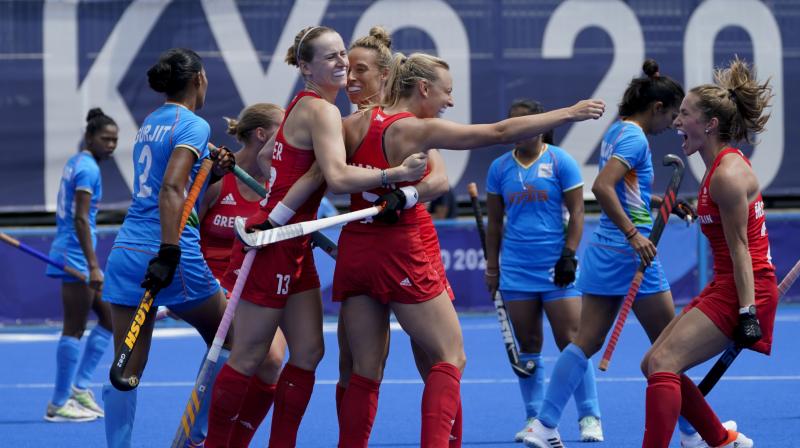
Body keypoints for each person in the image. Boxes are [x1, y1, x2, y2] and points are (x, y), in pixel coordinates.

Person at [329, 52, 604, 447]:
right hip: (399, 252)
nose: (450, 102)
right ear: (423, 88)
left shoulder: (349, 124)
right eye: (447, 92)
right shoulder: (413, 129)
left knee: (364, 372)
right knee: (450, 356)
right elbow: (498, 133)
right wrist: (569, 113)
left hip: (356, 249)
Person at [204, 26, 428, 448]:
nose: (342, 62)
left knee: (308, 352)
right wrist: (396, 175)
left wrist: (294, 185)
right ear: (305, 67)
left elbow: (272, 157)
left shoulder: (307, 106)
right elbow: (340, 179)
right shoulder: (321, 111)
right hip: (271, 241)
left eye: (343, 54)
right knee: (250, 356)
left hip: (294, 241)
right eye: (331, 57)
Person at [521, 59, 695, 448]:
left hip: (605, 249)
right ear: (657, 108)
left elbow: (623, 190)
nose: (674, 123)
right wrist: (635, 234)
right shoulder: (636, 138)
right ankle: (692, 432)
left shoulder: (617, 132)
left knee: (585, 341)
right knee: (671, 349)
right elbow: (602, 187)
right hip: (630, 254)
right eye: (673, 114)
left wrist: (659, 202)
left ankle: (543, 424)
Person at [638, 57, 775, 448]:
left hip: (743, 289)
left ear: (710, 124)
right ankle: (719, 440)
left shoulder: (728, 174)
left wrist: (748, 313)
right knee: (652, 363)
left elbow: (742, 249)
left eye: (685, 114)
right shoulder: (716, 170)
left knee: (663, 364)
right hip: (727, 284)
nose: (677, 122)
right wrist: (699, 211)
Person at [101, 48, 234, 448]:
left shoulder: (151, 122)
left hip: (126, 251)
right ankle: (196, 435)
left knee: (127, 370)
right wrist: (169, 252)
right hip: (170, 252)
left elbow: (182, 188)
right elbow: (172, 187)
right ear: (198, 80)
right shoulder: (193, 125)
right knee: (234, 339)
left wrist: (213, 173)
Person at [484, 99, 602, 443]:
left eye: (524, 124)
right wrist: (493, 266)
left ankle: (589, 415)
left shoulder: (560, 161)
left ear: (539, 126)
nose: (516, 131)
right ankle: (535, 418)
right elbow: (494, 223)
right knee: (529, 344)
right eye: (512, 124)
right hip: (516, 269)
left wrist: (569, 254)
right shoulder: (499, 168)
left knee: (573, 341)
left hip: (556, 269)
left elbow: (578, 214)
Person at [193, 103, 288, 447]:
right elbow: (187, 229)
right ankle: (198, 437)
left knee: (273, 362)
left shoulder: (276, 183)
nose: (289, 139)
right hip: (207, 281)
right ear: (261, 135)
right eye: (283, 130)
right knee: (245, 348)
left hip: (253, 285)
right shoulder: (217, 177)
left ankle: (230, 441)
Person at [44, 108, 118, 423]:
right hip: (75, 253)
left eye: (115, 140)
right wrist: (92, 265)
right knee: (74, 328)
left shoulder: (77, 163)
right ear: (89, 137)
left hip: (76, 251)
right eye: (105, 139)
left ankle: (79, 387)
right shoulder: (88, 169)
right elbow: (79, 218)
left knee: (109, 318)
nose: (111, 145)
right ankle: (58, 403)